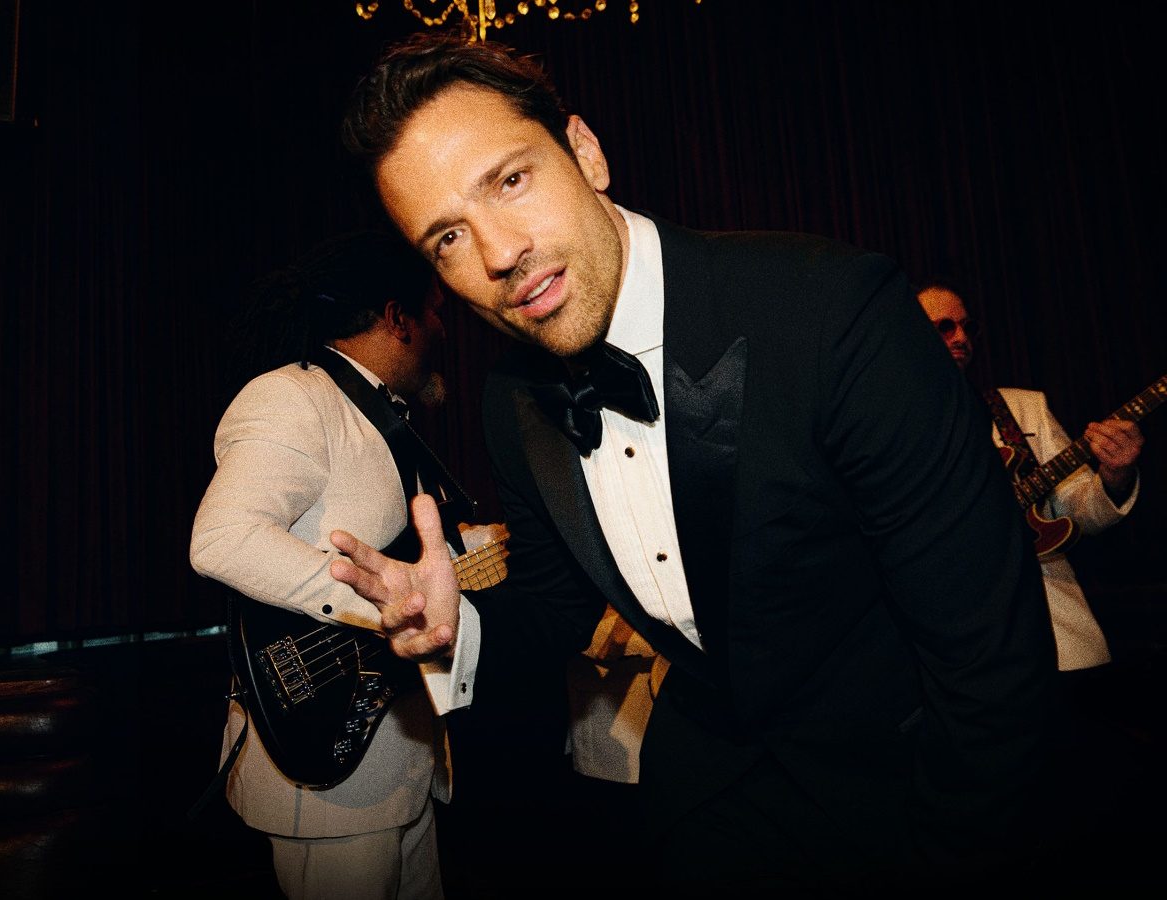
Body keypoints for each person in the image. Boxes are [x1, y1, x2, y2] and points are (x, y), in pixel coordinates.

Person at [327, 33, 1059, 894]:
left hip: (910, 790)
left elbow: (988, 650)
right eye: (447, 238)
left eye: (510, 181)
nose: (497, 254)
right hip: (710, 806)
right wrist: (460, 627)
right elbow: (561, 611)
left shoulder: (831, 312)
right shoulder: (512, 402)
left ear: (586, 153)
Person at [189, 227, 455, 900]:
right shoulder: (295, 395)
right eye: (434, 312)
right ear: (397, 318)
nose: (442, 329)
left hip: (401, 758)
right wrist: (385, 602)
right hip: (329, 774)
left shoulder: (378, 412)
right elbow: (222, 536)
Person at [916, 279, 1151, 883]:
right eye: (944, 327)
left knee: (1086, 804)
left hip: (1053, 638)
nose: (962, 337)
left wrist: (1115, 477)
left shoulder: (1019, 409)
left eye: (966, 326)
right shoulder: (884, 420)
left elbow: (1080, 509)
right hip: (952, 658)